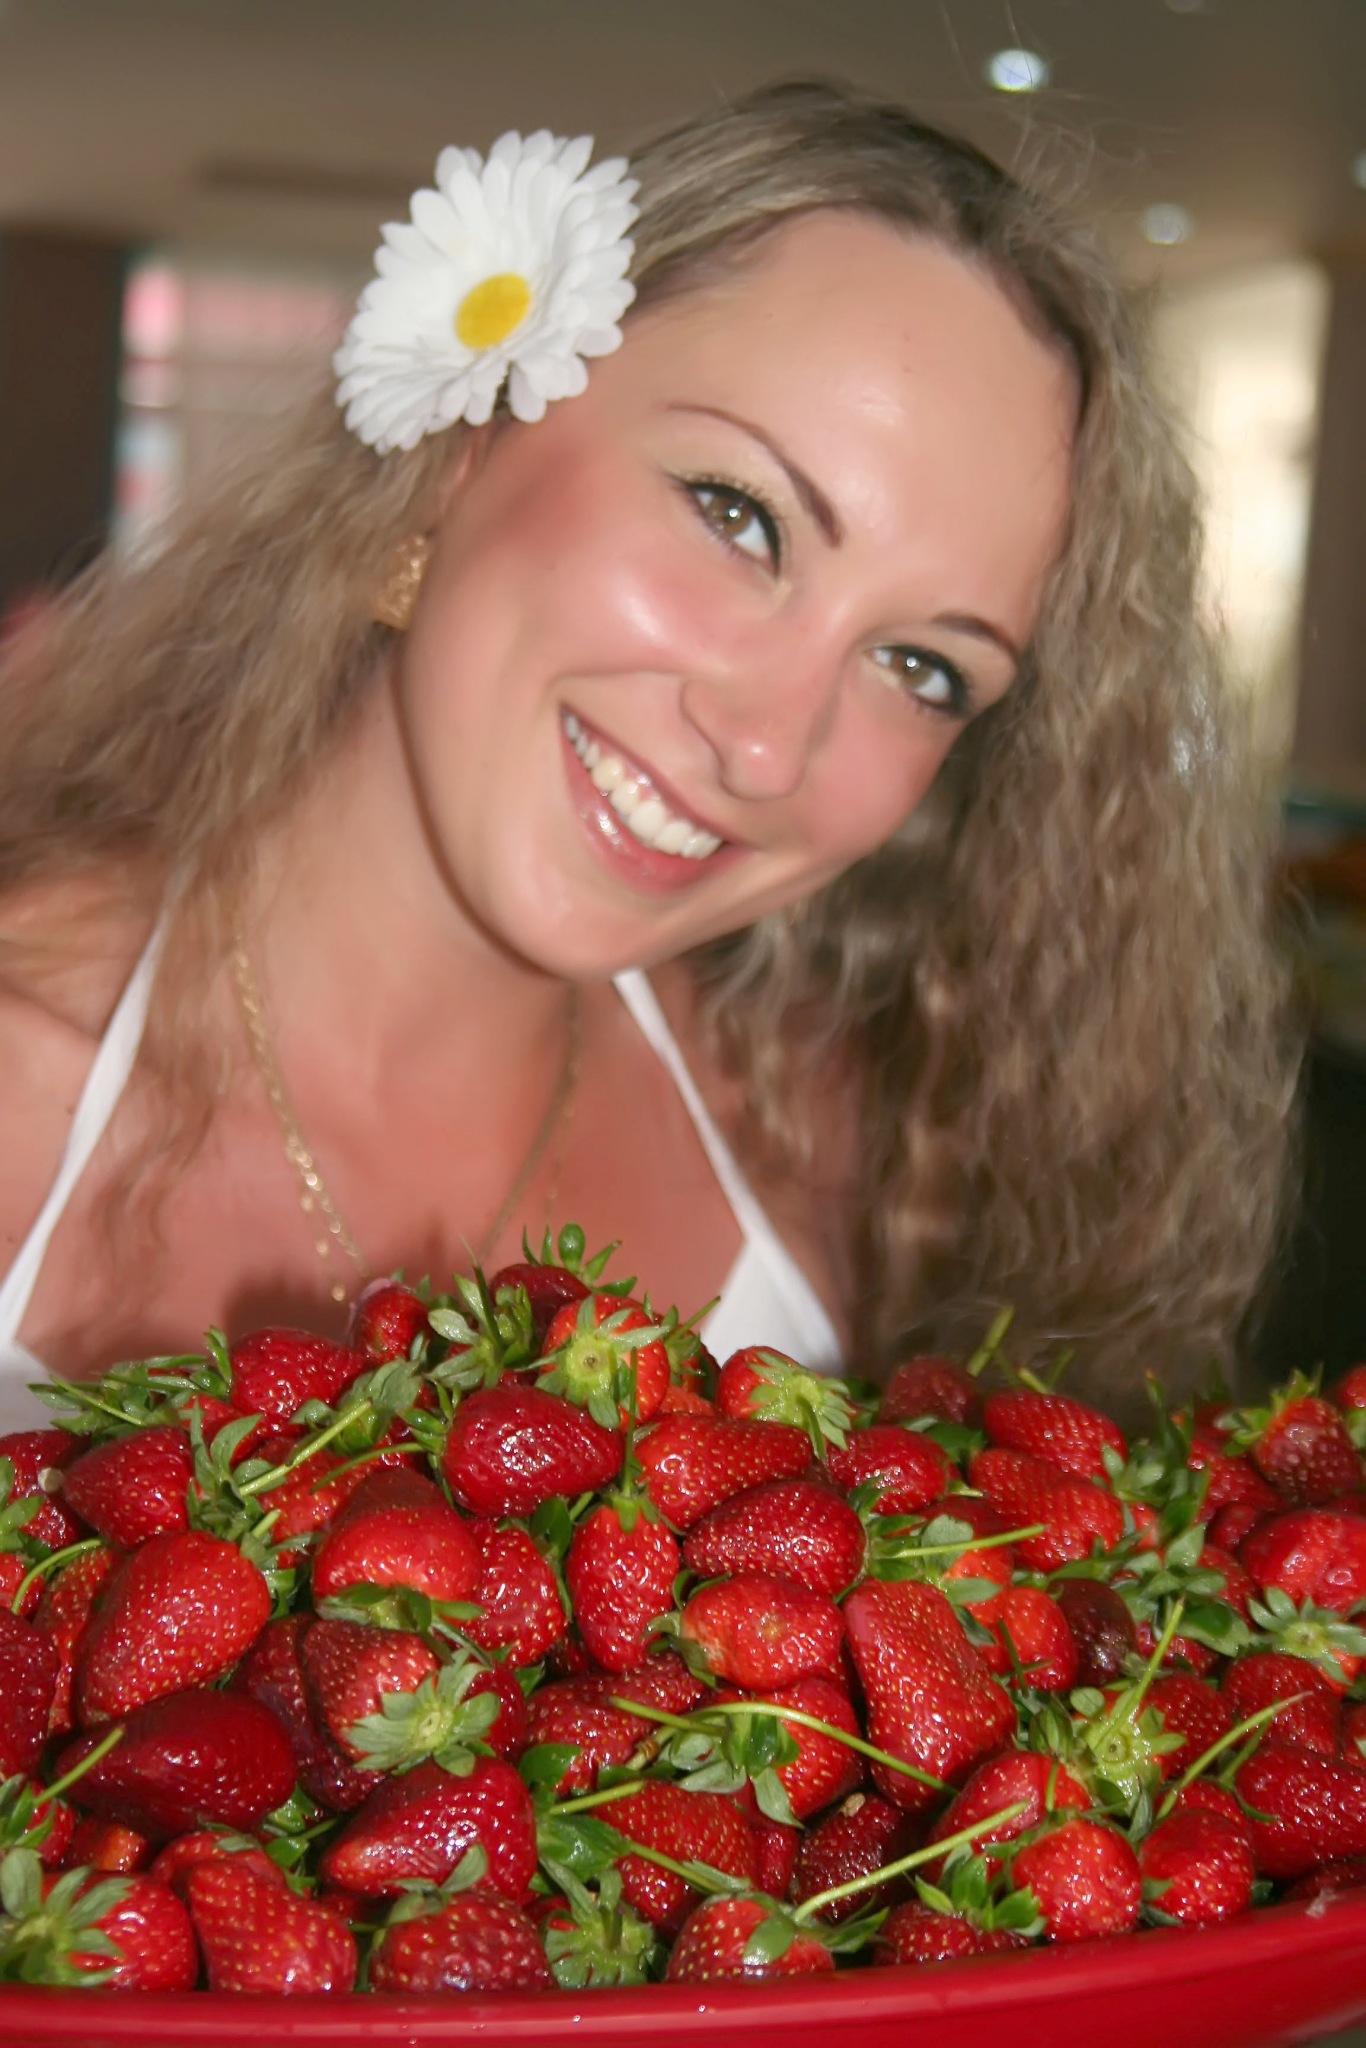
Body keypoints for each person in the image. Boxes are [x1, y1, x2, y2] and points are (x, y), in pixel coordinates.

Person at [0, 80, 1293, 1430]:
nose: (767, 746)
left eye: (922, 668)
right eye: (738, 515)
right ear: (466, 440)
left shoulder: (824, 1157)